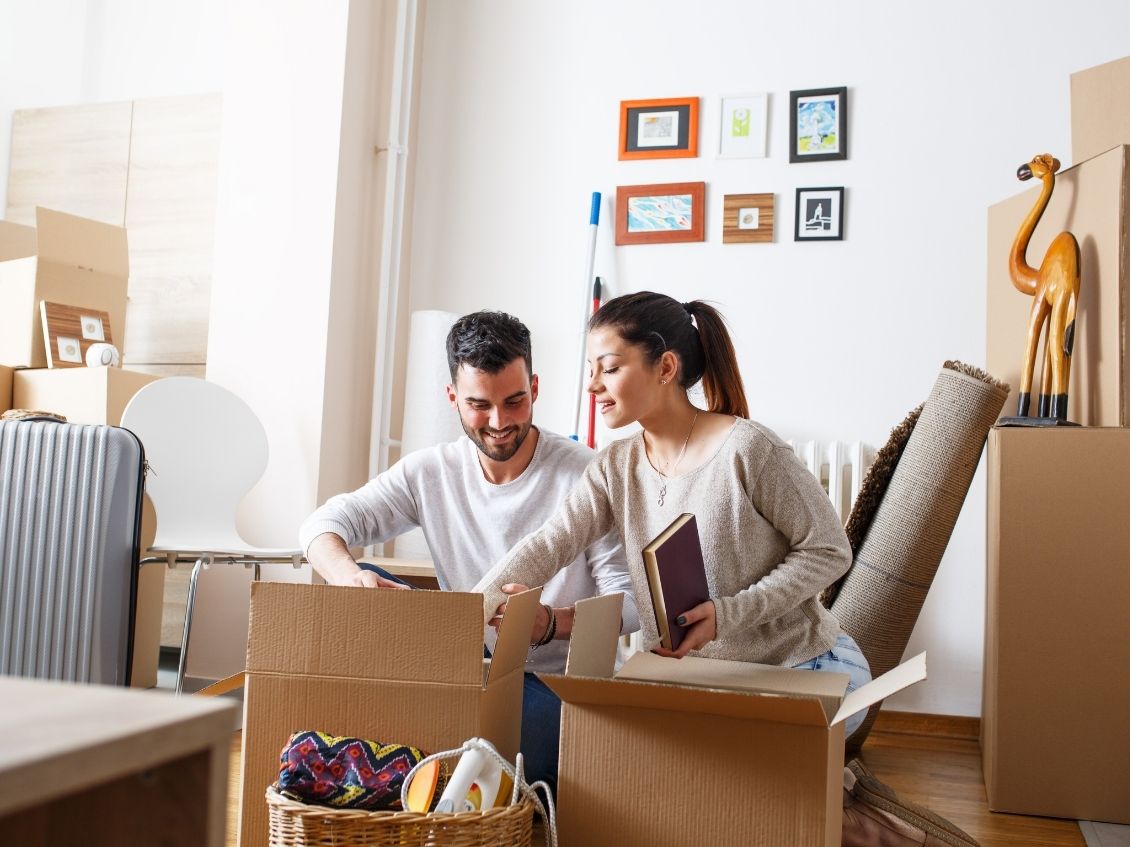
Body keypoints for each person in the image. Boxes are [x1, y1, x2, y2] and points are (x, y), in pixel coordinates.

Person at [473, 291, 872, 737]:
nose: (592, 385)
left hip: (801, 667)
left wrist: (727, 614)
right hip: (691, 680)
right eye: (591, 371)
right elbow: (551, 542)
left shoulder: (748, 449)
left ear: (665, 368)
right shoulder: (614, 467)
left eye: (609, 368)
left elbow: (829, 551)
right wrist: (469, 612)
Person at [298, 310, 638, 792]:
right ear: (453, 399)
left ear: (535, 388)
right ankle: (432, 757)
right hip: (464, 672)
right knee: (361, 579)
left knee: (495, 743)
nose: (499, 422)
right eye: (479, 405)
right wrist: (349, 577)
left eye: (515, 401)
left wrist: (549, 624)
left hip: (553, 685)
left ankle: (434, 759)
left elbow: (631, 602)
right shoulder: (430, 472)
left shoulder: (587, 474)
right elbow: (321, 524)